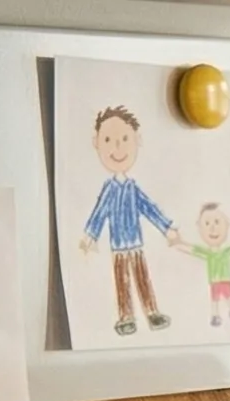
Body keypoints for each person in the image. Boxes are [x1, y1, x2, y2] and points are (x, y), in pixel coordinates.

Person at [77, 105, 181, 336]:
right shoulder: (109, 189)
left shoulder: (133, 188)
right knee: (122, 282)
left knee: (143, 278)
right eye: (109, 140)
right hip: (118, 248)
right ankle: (126, 317)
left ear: (137, 140)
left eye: (125, 139)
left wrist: (167, 229)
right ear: (97, 143)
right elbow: (99, 212)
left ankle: (152, 312)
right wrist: (89, 236)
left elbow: (150, 208)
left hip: (136, 245)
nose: (117, 147)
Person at [180, 203, 230, 326]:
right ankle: (215, 315)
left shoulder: (226, 252)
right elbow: (191, 249)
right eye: (207, 224)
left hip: (226, 279)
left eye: (217, 222)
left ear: (227, 224)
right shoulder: (207, 253)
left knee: (229, 295)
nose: (212, 228)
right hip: (214, 280)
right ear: (199, 227)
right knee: (215, 298)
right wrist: (178, 244)